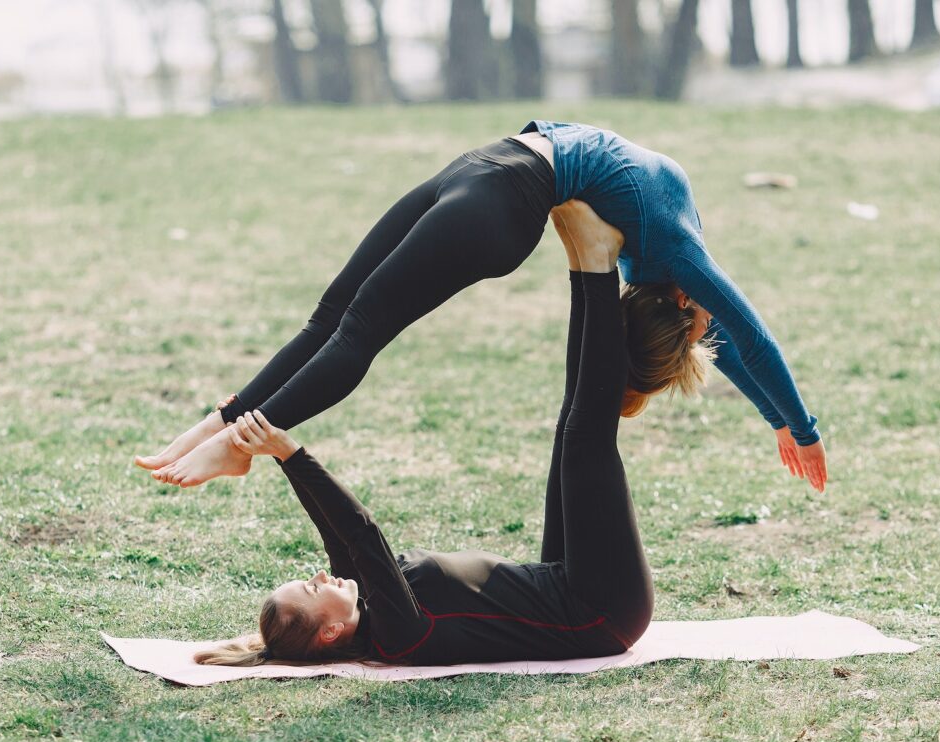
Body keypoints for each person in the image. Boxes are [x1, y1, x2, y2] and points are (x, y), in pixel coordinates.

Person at [135, 122, 827, 493]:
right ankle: (224, 422)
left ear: (685, 310)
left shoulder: (670, 260)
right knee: (333, 314)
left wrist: (796, 425)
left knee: (359, 330)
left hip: (499, 202)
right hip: (483, 173)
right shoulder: (674, 260)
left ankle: (240, 442)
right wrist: (790, 423)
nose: (714, 324)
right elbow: (745, 340)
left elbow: (738, 340)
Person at [194, 267, 650, 667]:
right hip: (601, 613)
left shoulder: (370, 606)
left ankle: (585, 266)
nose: (318, 576)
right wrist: (292, 451)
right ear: (330, 632)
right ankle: (596, 268)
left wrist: (277, 454)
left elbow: (334, 529)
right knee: (584, 433)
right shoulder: (397, 635)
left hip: (563, 580)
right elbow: (361, 533)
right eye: (313, 590)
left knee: (573, 422)